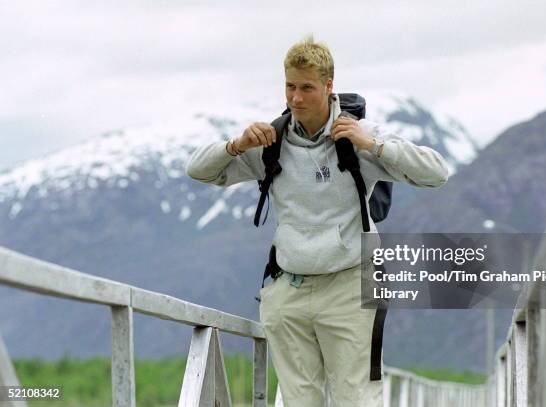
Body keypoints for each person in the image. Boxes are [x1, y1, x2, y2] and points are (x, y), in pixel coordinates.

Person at [185, 35, 449, 407]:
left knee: (355, 400)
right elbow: (197, 170)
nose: (296, 98)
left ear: (328, 87)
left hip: (352, 287)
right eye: (290, 87)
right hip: (288, 291)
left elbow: (437, 173)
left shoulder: (358, 137)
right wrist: (236, 146)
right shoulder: (269, 142)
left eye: (307, 87)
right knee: (298, 401)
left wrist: (372, 144)